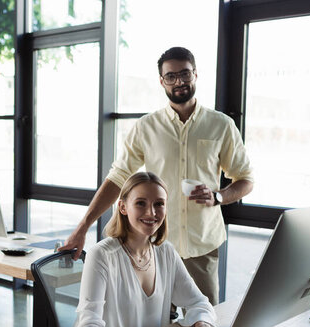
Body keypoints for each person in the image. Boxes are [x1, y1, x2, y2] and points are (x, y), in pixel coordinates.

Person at [59, 47, 254, 305]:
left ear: (195, 74)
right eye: (171, 76)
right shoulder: (146, 127)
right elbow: (118, 178)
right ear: (162, 81)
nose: (179, 81)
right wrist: (82, 227)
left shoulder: (221, 125)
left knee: (206, 321)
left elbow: (246, 179)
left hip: (202, 246)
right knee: (154, 326)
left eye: (185, 74)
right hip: (155, 245)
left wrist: (219, 196)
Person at [70, 172, 224, 327]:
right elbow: (87, 326)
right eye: (140, 203)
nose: (151, 212)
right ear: (123, 207)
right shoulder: (102, 255)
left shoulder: (165, 252)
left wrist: (202, 321)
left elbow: (198, 302)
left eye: (159, 204)